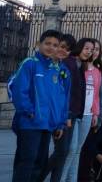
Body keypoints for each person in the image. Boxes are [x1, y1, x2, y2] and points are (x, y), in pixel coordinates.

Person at [10, 30, 70, 182]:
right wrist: (28, 111)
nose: (51, 48)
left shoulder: (57, 69)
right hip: (30, 123)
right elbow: (18, 89)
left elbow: (60, 99)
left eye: (55, 45)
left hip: (48, 124)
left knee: (39, 163)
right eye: (47, 43)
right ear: (39, 44)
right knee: (26, 161)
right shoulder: (30, 64)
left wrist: (60, 123)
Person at [63, 38, 101, 182]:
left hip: (87, 114)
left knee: (77, 150)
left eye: (93, 50)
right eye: (88, 48)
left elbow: (96, 94)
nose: (91, 52)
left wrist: (95, 113)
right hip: (74, 113)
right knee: (71, 150)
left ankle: (71, 179)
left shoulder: (93, 70)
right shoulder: (73, 64)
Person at [39, 34, 75, 182]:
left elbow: (65, 97)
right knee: (40, 156)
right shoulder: (39, 65)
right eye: (61, 46)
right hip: (42, 117)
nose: (62, 51)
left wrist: (64, 117)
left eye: (67, 49)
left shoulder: (64, 70)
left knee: (62, 152)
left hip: (59, 118)